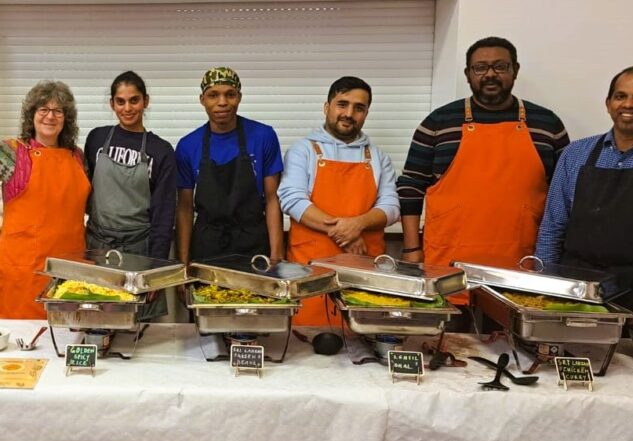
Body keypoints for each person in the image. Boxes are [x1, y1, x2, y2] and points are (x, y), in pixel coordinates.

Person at [396, 36, 569, 307]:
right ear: (468, 74)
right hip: (448, 265)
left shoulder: (548, 124)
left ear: (515, 70)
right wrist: (411, 249)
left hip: (522, 267)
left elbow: (564, 196)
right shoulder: (438, 122)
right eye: (480, 68)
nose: (490, 74)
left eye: (500, 66)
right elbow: (411, 187)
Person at [279, 76, 400, 326]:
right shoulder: (303, 150)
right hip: (311, 272)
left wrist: (357, 224)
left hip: (364, 272)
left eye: (359, 108)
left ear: (366, 113)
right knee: (308, 338)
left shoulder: (378, 157)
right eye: (342, 104)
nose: (349, 114)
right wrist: (346, 233)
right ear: (327, 107)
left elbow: (391, 207)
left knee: (362, 333)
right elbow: (292, 200)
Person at [535, 66, 633, 311]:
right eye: (621, 96)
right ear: (608, 104)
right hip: (576, 289)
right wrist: (544, 288)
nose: (629, 104)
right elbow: (552, 227)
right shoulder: (575, 154)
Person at [84, 71, 176, 320]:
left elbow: (164, 214)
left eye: (134, 100)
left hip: (139, 251)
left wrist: (155, 269)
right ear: (112, 104)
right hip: (97, 248)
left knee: (137, 326)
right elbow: (83, 193)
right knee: (96, 317)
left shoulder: (162, 150)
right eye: (120, 101)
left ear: (146, 101)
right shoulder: (96, 138)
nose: (127, 108)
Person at [175, 67, 284, 267]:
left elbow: (272, 200)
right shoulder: (187, 145)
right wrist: (183, 263)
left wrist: (277, 258)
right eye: (213, 95)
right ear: (202, 100)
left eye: (230, 94)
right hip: (207, 247)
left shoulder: (264, 136)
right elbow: (184, 208)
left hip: (253, 245)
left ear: (239, 97)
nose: (222, 102)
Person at [0, 81, 90, 319]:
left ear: (66, 119)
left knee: (68, 334)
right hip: (23, 271)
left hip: (71, 271)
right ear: (32, 115)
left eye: (58, 111)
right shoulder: (10, 152)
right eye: (43, 109)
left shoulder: (78, 157)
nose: (50, 116)